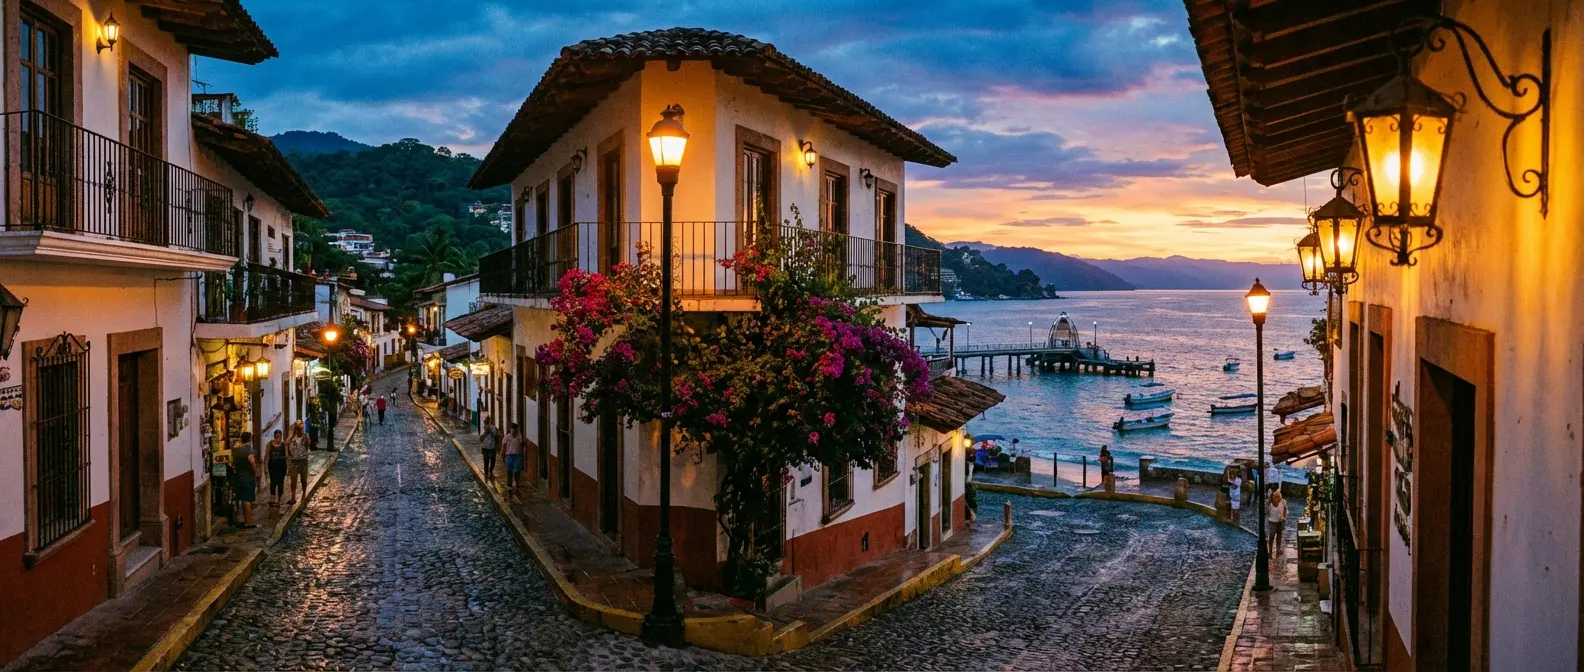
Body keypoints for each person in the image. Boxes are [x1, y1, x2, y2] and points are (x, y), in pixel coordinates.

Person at [231, 432, 258, 528]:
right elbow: (253, 463)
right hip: (247, 477)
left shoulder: (235, 451)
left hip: (239, 477)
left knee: (242, 499)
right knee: (247, 500)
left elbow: (232, 464)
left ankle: (245, 520)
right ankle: (248, 521)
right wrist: (256, 473)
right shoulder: (249, 451)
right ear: (250, 439)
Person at [286, 421, 310, 505]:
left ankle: (304, 493)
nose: (297, 427)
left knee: (303, 479)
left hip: (303, 460)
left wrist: (304, 434)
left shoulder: (305, 436)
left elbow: (308, 444)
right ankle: (293, 498)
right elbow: (287, 444)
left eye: (299, 425)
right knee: (293, 481)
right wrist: (288, 456)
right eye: (296, 425)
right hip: (293, 461)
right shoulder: (291, 436)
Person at [266, 430, 289, 508]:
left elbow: (286, 455)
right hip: (272, 466)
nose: (278, 439)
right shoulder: (270, 444)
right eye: (277, 437)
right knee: (272, 482)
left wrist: (288, 465)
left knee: (280, 483)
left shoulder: (283, 444)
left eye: (279, 437)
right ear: (274, 436)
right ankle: (272, 498)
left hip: (281, 466)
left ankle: (279, 500)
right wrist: (265, 468)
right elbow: (266, 456)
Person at [1267, 489, 1288, 558]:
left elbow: (1285, 509)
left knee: (1279, 536)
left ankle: (1278, 550)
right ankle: (1270, 552)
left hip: (1280, 521)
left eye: (1278, 496)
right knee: (1271, 537)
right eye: (1275, 496)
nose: (1276, 498)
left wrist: (1284, 518)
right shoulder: (1269, 503)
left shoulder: (1283, 502)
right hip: (1272, 522)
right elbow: (1267, 511)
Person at [503, 423, 525, 489]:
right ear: (510, 430)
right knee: (509, 471)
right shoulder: (507, 437)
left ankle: (517, 482)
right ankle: (509, 485)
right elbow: (503, 447)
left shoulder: (519, 436)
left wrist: (522, 454)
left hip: (517, 456)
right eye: (513, 430)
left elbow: (521, 445)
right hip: (509, 456)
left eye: (515, 430)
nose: (514, 432)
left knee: (517, 471)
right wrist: (502, 456)